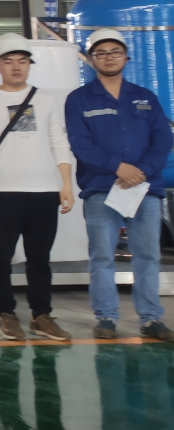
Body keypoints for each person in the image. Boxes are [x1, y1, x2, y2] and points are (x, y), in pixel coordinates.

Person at [66, 29, 174, 342]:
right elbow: (80, 144)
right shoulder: (79, 100)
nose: (109, 57)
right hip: (101, 187)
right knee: (102, 256)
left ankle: (151, 318)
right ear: (91, 60)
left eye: (115, 51)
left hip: (144, 188)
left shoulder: (144, 97)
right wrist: (118, 167)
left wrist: (143, 171)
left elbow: (163, 137)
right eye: (101, 53)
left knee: (148, 255)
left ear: (126, 57)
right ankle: (106, 317)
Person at [0, 34, 75, 342]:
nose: (16, 67)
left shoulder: (45, 99)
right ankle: (6, 314)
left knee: (39, 259)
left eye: (22, 61)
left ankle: (41, 315)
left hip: (44, 192)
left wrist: (65, 184)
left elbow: (58, 141)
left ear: (30, 65)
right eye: (8, 61)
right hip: (2, 194)